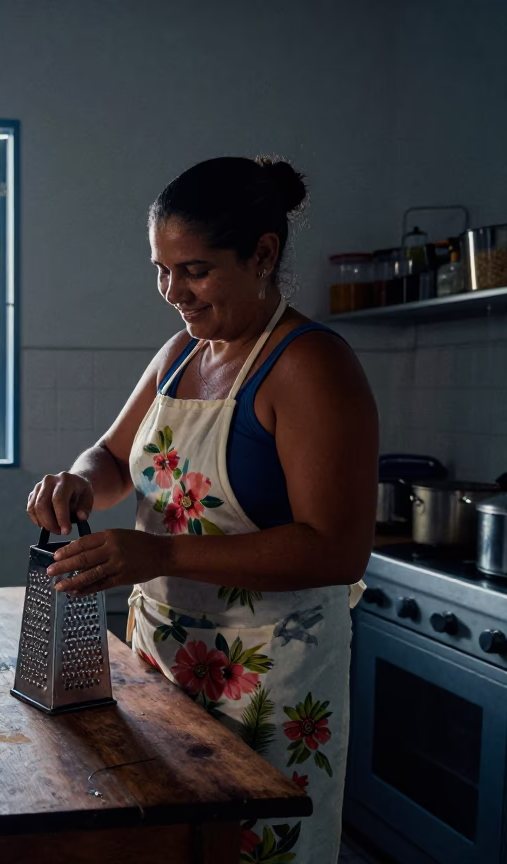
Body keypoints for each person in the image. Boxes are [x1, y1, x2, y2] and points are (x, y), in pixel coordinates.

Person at [27, 157, 377, 864]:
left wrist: (159, 554)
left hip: (269, 680)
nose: (173, 292)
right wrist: (78, 483)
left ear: (263, 254)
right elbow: (112, 457)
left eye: (195, 271)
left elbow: (337, 549)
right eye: (161, 270)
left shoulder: (310, 365)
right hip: (164, 661)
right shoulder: (181, 354)